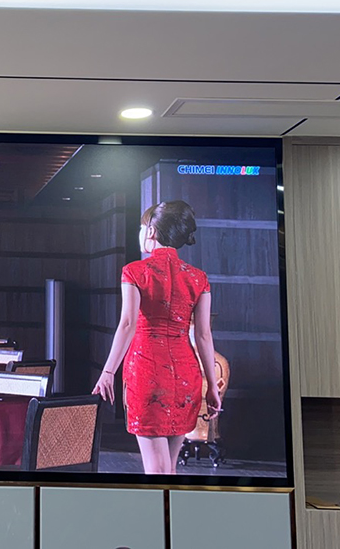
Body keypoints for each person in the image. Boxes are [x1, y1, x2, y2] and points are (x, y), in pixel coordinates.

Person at [92, 200, 221, 475]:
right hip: (186, 376)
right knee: (168, 469)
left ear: (151, 231)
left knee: (157, 472)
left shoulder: (135, 271)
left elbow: (128, 324)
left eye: (142, 228)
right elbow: (203, 335)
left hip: (147, 372)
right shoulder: (198, 278)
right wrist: (212, 385)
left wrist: (108, 372)